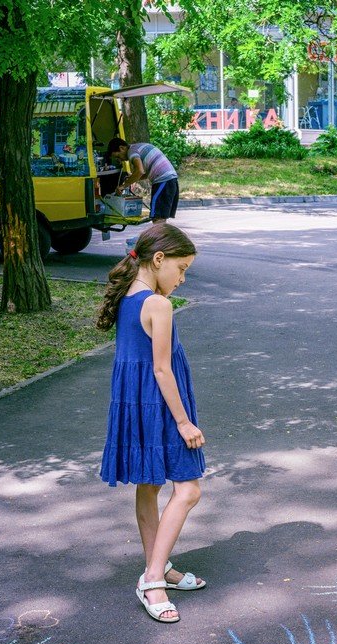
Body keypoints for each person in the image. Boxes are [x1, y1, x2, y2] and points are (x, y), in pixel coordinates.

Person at [97, 223, 206, 623]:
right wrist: (184, 422)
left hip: (136, 405)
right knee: (189, 490)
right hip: (162, 407)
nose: (182, 277)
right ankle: (153, 579)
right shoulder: (158, 305)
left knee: (150, 486)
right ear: (158, 260)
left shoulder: (130, 297)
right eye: (181, 268)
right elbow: (162, 369)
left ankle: (158, 567)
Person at [106, 137, 180, 221]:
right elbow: (144, 173)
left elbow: (139, 171)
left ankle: (157, 234)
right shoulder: (138, 147)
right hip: (171, 179)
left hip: (163, 180)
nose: (120, 160)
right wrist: (132, 179)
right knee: (161, 218)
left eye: (118, 156)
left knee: (157, 218)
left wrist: (124, 186)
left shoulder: (131, 152)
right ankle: (162, 234)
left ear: (121, 148)